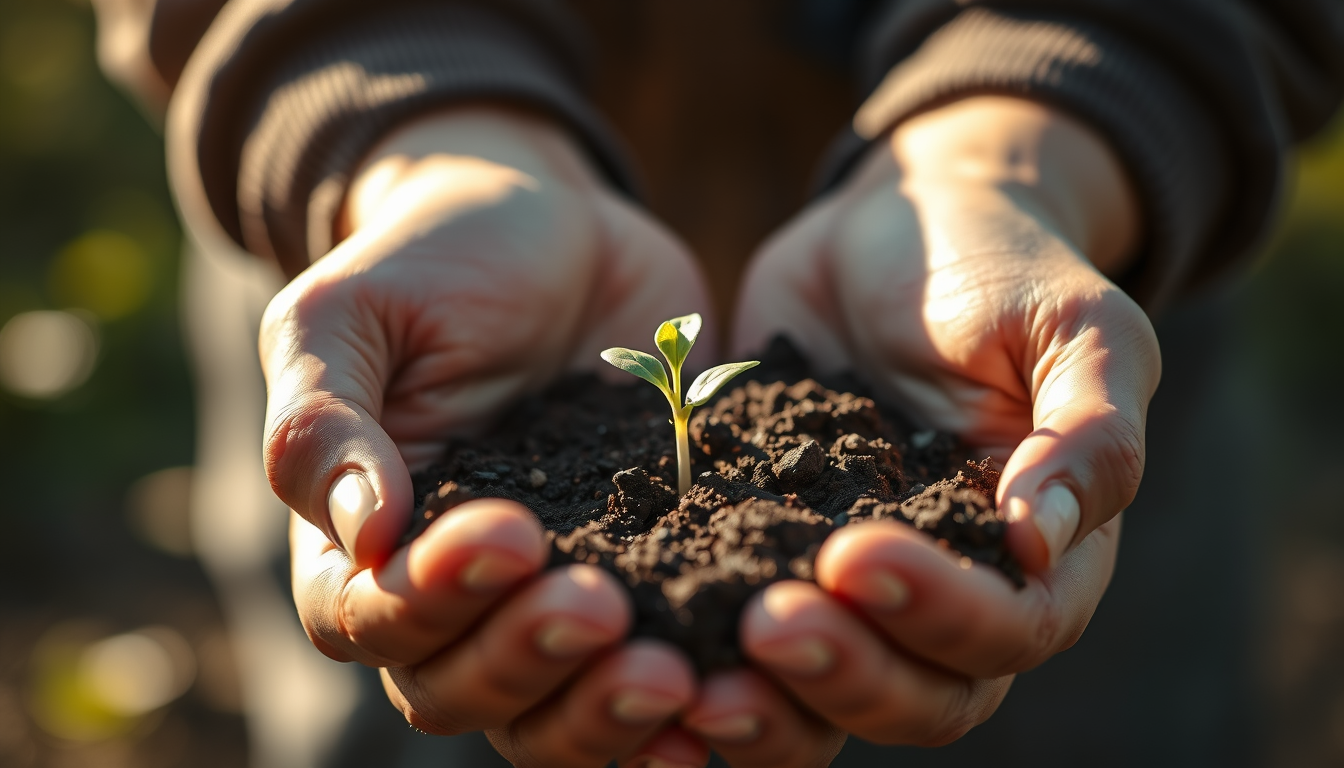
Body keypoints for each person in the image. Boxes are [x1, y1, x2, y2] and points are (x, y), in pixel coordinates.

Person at [91, 1, 1344, 766]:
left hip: (1047, 282)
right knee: (417, 666)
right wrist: (415, 129)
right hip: (386, 235)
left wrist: (1030, 141)